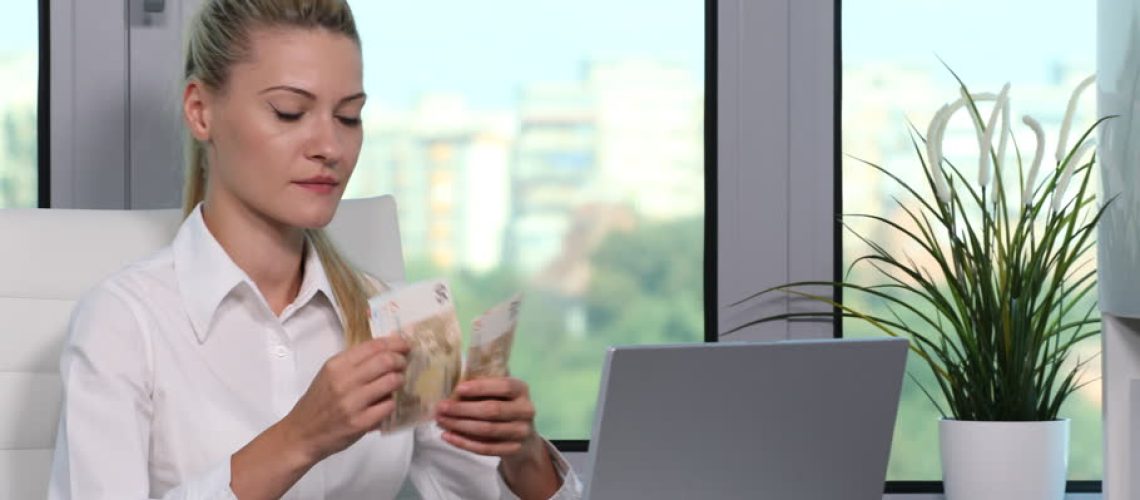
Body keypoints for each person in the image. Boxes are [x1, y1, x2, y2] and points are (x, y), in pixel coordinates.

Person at [47, 0, 581, 498]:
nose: (330, 147)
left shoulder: (401, 322)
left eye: (348, 117)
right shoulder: (125, 323)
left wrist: (523, 453)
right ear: (201, 111)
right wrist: (299, 439)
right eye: (288, 112)